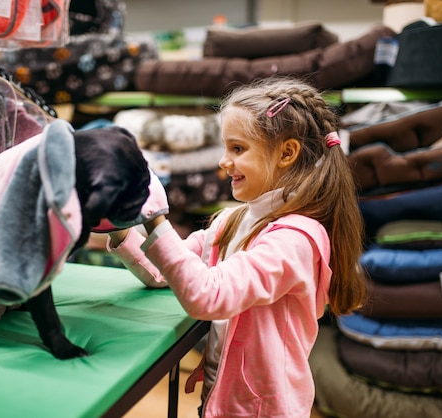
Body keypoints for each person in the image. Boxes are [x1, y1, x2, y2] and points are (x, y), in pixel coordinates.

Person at [107, 76, 366, 417]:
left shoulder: (294, 241)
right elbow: (164, 270)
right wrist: (119, 229)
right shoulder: (231, 221)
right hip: (222, 395)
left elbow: (208, 297)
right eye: (225, 148)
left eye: (238, 149)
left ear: (287, 153)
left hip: (263, 409)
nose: (223, 161)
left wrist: (157, 219)